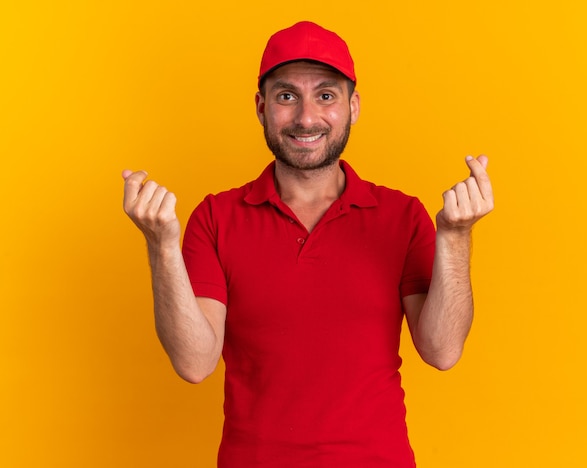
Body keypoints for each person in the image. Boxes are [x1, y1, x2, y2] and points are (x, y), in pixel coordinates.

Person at [122, 21, 493, 468]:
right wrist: (161, 245)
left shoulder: (402, 216)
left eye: (326, 95)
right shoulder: (217, 218)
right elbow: (194, 363)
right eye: (286, 96)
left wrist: (456, 237)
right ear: (261, 108)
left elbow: (442, 351)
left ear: (353, 106)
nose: (306, 118)